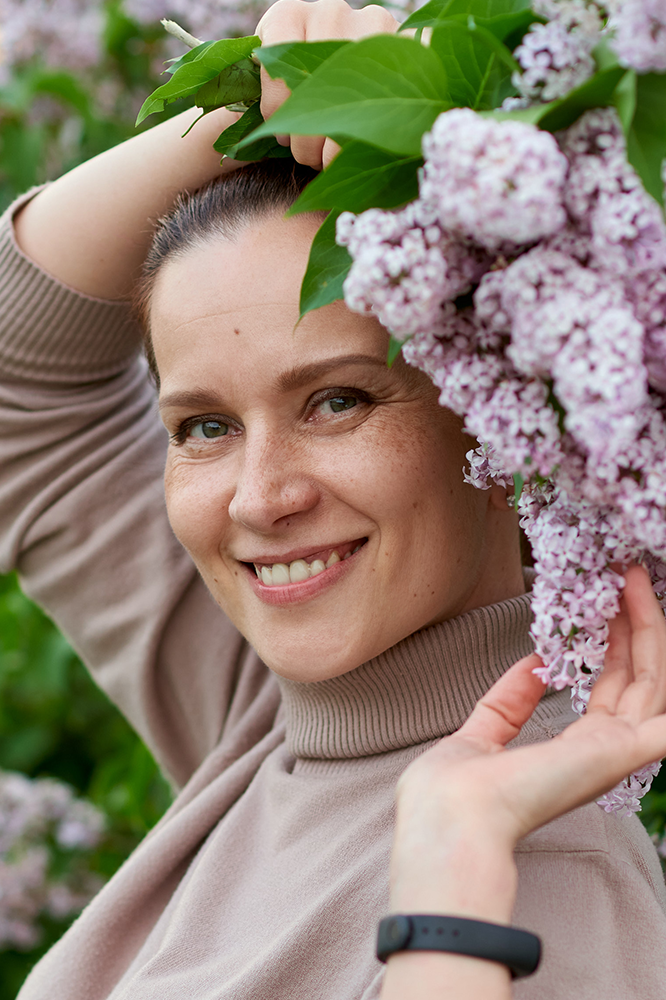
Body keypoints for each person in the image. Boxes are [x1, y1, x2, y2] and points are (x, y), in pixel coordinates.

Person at [1, 2, 666, 998]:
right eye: (204, 426)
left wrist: (453, 872)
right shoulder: (272, 708)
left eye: (337, 400)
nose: (260, 500)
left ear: (501, 408)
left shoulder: (541, 889)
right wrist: (283, 98)